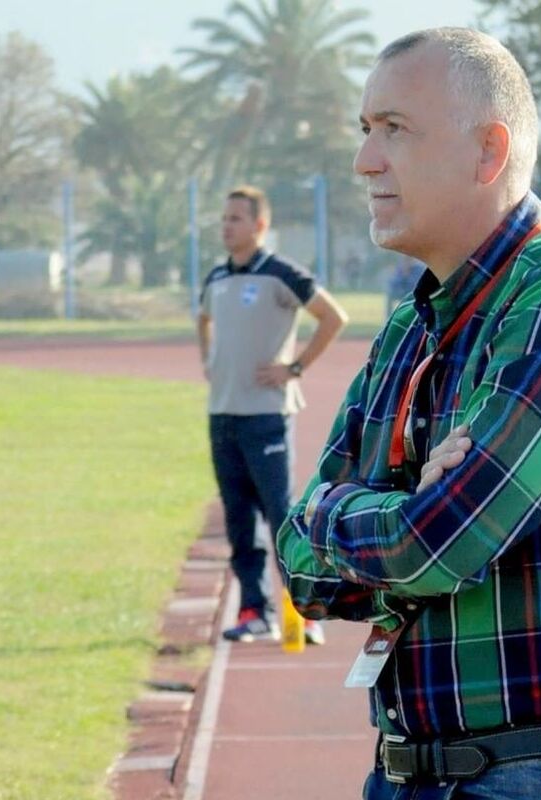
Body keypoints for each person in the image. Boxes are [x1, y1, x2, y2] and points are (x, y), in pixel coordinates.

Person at [276, 28, 541, 798]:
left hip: (540, 773)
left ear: (488, 151)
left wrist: (348, 516)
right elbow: (302, 572)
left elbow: (438, 545)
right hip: (404, 771)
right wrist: (388, 512)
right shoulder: (411, 327)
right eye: (366, 130)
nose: (365, 160)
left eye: (394, 129)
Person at [197, 185, 349, 645]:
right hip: (222, 415)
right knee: (239, 520)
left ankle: (304, 614)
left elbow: (333, 317)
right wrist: (209, 361)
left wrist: (295, 367)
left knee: (281, 517)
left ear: (260, 226)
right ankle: (253, 610)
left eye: (236, 219)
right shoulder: (216, 277)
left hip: (265, 416)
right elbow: (203, 318)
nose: (226, 227)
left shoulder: (281, 274)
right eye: (224, 218)